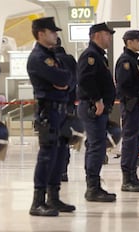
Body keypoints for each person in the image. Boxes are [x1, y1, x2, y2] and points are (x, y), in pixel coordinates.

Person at [27, 17, 75, 216]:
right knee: (47, 155)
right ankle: (38, 201)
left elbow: (70, 78)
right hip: (49, 111)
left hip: (61, 110)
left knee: (60, 154)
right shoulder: (38, 58)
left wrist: (63, 80)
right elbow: (63, 77)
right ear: (41, 34)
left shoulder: (52, 56)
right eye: (52, 32)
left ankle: (53, 197)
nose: (56, 35)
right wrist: (63, 79)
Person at [77, 22, 116, 202]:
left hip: (98, 107)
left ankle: (95, 185)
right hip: (93, 107)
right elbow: (85, 80)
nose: (110, 38)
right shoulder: (91, 55)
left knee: (97, 146)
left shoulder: (99, 56)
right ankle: (92, 188)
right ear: (97, 35)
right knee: (96, 146)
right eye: (107, 34)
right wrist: (97, 100)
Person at [115, 30, 139, 192]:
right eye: (138, 41)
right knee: (130, 141)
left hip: (136, 107)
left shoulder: (133, 60)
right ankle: (127, 179)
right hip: (130, 106)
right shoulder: (125, 61)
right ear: (129, 42)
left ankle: (133, 176)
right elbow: (124, 85)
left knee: (135, 141)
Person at [53, 37, 78, 182]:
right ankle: (63, 171)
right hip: (68, 104)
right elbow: (76, 78)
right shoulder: (70, 59)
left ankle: (56, 171)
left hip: (54, 104)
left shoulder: (51, 60)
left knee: (53, 138)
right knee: (65, 138)